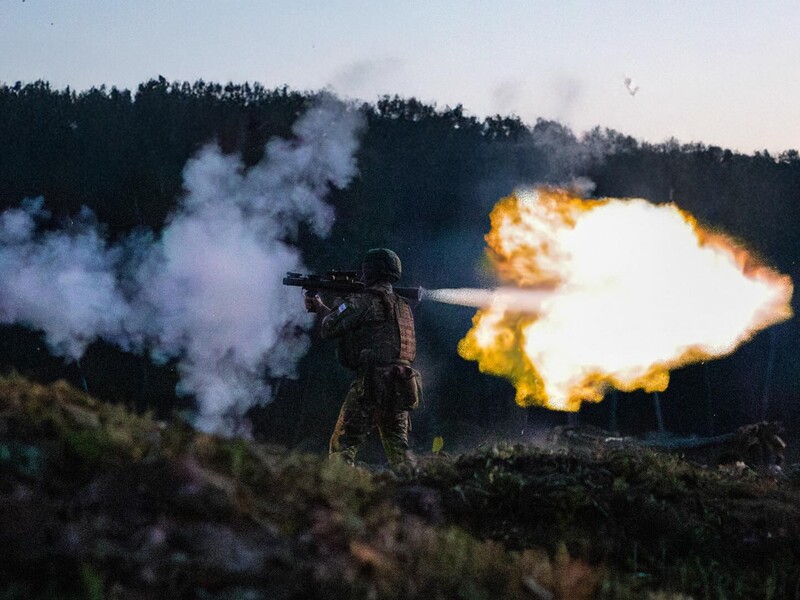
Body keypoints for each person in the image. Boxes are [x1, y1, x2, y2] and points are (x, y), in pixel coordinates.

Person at [305, 248, 421, 466]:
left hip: (371, 384)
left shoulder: (364, 301)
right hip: (401, 383)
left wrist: (322, 309)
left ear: (370, 272)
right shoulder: (403, 306)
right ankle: (415, 486)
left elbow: (330, 328)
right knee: (399, 450)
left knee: (342, 447)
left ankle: (343, 494)